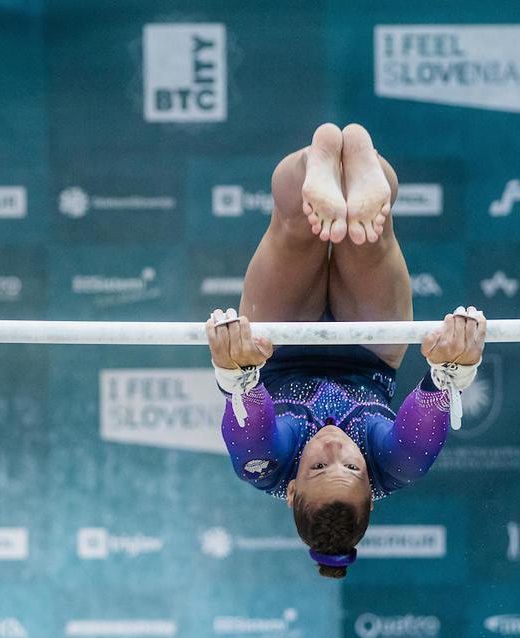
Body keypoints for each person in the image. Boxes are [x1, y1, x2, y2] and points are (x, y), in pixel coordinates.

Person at [205, 123, 486, 578]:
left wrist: (235, 372)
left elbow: (244, 412)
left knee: (294, 218)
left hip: (280, 350)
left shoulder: (266, 466)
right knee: (369, 230)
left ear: (293, 490)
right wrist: (454, 366)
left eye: (318, 464)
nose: (335, 445)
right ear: (372, 489)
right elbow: (438, 393)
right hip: (368, 352)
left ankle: (320, 161)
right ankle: (361, 166)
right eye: (352, 465)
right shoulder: (396, 467)